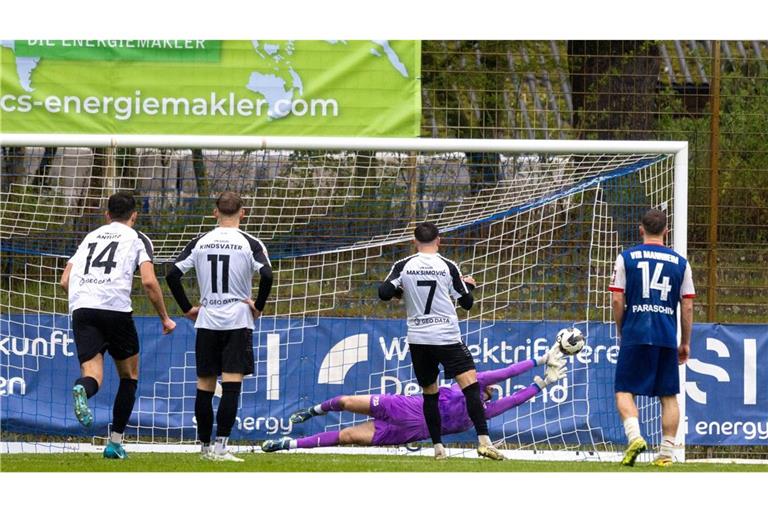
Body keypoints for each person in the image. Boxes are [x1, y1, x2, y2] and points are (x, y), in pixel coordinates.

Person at [262, 350, 566, 453]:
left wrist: (543, 384)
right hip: (406, 406)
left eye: (489, 395)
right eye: (488, 389)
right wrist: (539, 360)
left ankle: (287, 445)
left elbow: (514, 400)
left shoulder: (481, 413)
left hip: (408, 432)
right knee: (345, 400)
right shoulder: (470, 384)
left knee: (348, 436)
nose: (488, 393)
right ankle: (311, 411)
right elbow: (507, 372)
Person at [60, 191, 176, 460]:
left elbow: (65, 280)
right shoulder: (137, 238)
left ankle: (82, 389)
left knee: (93, 376)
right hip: (115, 310)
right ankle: (114, 443)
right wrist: (164, 318)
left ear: (107, 214)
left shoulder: (90, 237)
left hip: (83, 309)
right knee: (129, 376)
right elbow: (148, 281)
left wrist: (87, 298)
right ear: (134, 215)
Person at [376, 221, 502, 460]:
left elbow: (383, 293)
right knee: (471, 387)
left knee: (430, 393)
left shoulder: (403, 266)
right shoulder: (447, 266)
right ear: (439, 240)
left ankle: (438, 449)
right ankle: (484, 442)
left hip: (419, 339)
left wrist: (399, 290)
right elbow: (466, 304)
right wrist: (468, 286)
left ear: (414, 241)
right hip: (446, 336)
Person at [166, 191, 273, 462]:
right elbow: (267, 274)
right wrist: (258, 305)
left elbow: (172, 274)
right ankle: (221, 447)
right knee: (232, 385)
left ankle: (204, 448)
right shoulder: (250, 242)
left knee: (205, 385)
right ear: (242, 212)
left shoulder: (201, 241)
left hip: (208, 320)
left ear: (215, 212)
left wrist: (186, 308)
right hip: (237, 320)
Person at [609, 208, 695, 467]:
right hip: (665, 335)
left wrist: (622, 328)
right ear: (666, 232)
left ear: (641, 229)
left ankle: (635, 437)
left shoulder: (626, 258)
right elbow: (688, 305)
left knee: (624, 390)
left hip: (636, 332)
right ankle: (666, 454)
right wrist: (685, 341)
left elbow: (616, 298)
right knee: (668, 396)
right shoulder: (681, 263)